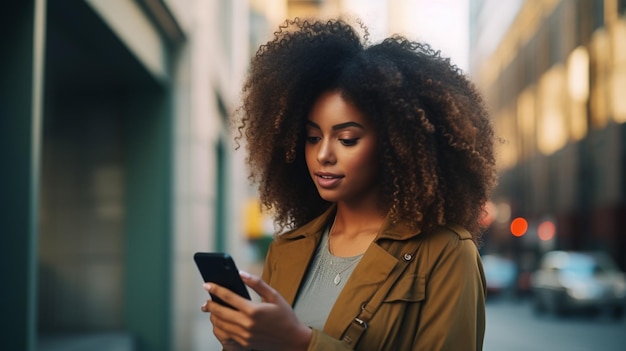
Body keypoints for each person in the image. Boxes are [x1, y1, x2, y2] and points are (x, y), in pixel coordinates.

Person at [201, 17, 497, 351]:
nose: (323, 154)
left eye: (347, 139)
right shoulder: (287, 250)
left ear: (395, 144)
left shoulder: (446, 253)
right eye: (313, 137)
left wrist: (301, 343)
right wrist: (240, 344)